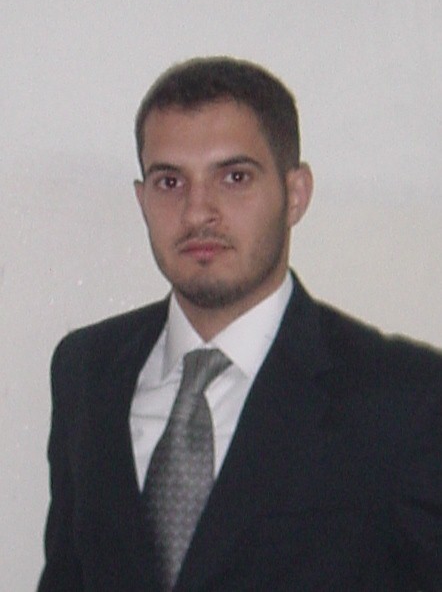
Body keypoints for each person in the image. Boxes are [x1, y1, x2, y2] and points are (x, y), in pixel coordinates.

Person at [38, 57, 442, 591]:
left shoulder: (404, 398)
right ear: (142, 199)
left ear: (295, 194)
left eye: (234, 178)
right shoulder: (86, 370)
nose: (197, 212)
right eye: (169, 181)